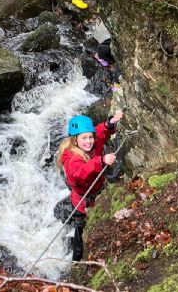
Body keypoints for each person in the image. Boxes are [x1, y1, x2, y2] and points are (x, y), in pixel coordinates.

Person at [57, 111, 124, 261]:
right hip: (83, 202)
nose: (89, 141)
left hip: (97, 193)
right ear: (75, 140)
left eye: (90, 137)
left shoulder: (92, 143)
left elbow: (100, 131)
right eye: (84, 138)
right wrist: (100, 161)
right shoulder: (72, 158)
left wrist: (110, 122)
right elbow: (79, 173)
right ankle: (77, 260)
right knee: (81, 230)